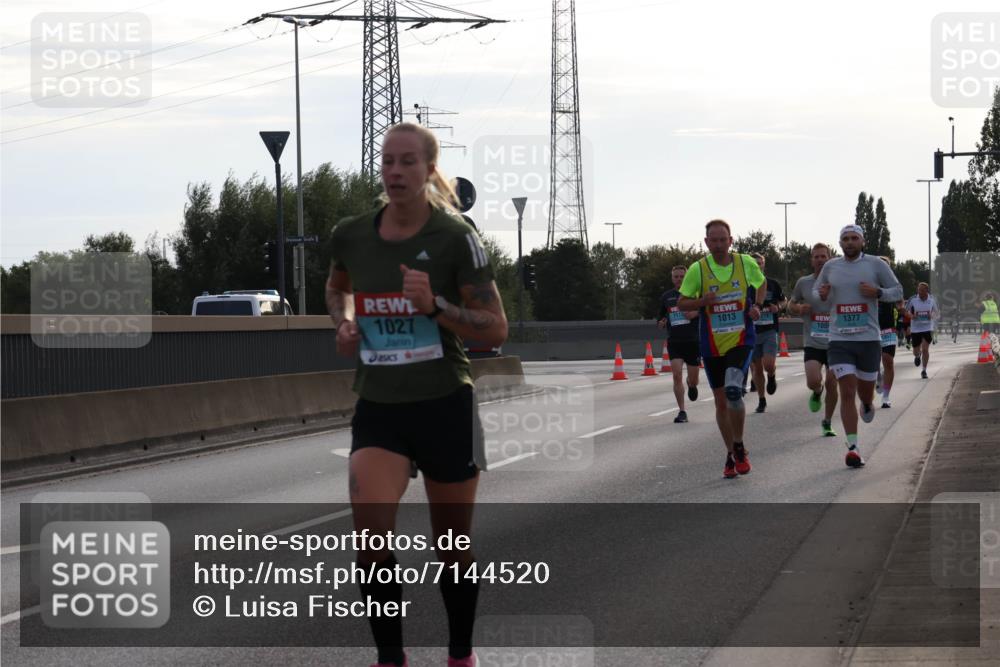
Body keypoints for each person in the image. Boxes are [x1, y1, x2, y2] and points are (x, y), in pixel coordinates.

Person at [326, 122, 508, 667]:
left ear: (429, 171)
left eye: (408, 162)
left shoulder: (455, 237)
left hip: (443, 404)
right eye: (387, 162)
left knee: (451, 549)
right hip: (380, 407)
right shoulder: (352, 233)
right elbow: (338, 288)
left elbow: (495, 329)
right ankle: (391, 659)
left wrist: (436, 307)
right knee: (371, 539)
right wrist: (346, 321)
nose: (396, 171)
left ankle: (459, 655)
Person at [677, 219, 766, 479]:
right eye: (713, 240)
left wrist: (757, 306)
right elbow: (682, 303)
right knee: (720, 403)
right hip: (711, 343)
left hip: (741, 339)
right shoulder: (698, 269)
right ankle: (731, 453)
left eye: (722, 239)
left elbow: (761, 284)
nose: (718, 244)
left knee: (732, 390)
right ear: (706, 242)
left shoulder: (745, 263)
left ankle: (739, 444)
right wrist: (702, 301)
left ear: (731, 240)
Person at [813, 225, 903, 468]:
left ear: (862, 241)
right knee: (847, 391)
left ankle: (867, 403)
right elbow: (816, 292)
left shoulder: (876, 264)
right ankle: (853, 447)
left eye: (854, 238)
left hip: (868, 340)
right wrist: (821, 294)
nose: (850, 242)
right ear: (840, 243)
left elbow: (898, 291)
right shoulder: (831, 267)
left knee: (863, 394)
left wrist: (878, 292)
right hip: (839, 339)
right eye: (845, 239)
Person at [788, 243, 839, 436]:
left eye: (823, 257)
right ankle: (817, 392)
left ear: (829, 258)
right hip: (813, 341)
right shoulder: (804, 283)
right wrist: (798, 309)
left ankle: (827, 421)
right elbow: (790, 304)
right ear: (812, 260)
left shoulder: (838, 281)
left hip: (836, 342)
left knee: (833, 383)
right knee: (813, 380)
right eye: (816, 257)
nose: (819, 260)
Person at [657, 265, 702, 423]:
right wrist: (661, 322)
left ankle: (692, 384)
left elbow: (706, 311)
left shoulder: (695, 294)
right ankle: (682, 411)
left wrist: (695, 313)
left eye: (682, 276)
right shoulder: (667, 297)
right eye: (676, 276)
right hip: (675, 341)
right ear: (672, 278)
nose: (679, 279)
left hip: (692, 341)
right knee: (676, 376)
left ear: (687, 277)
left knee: (693, 378)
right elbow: (661, 317)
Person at [747, 253, 786, 414]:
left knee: (768, 364)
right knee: (756, 368)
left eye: (760, 263)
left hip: (769, 330)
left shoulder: (773, 284)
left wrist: (778, 307)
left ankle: (771, 374)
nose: (758, 266)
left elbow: (784, 300)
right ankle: (761, 400)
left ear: (764, 265)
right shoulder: (745, 285)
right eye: (754, 263)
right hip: (752, 332)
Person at [874, 257, 901, 408]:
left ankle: (886, 396)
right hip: (871, 329)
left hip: (888, 328)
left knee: (888, 360)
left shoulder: (893, 286)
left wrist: (901, 306)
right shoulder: (869, 284)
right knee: (874, 362)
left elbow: (900, 300)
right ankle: (877, 376)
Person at [908, 282, 939, 379]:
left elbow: (937, 312)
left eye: (921, 290)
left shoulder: (932, 300)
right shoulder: (913, 299)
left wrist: (932, 316)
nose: (919, 292)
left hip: (928, 327)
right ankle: (917, 356)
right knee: (916, 351)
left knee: (925, 349)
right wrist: (912, 316)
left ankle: (924, 370)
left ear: (926, 291)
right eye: (918, 290)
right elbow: (906, 311)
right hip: (915, 328)